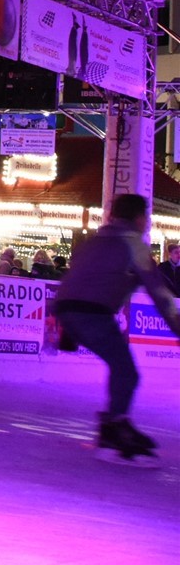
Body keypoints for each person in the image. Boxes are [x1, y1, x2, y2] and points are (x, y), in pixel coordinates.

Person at [53, 193, 180, 466]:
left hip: (67, 310)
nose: (146, 222)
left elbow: (76, 281)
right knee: (126, 371)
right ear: (139, 218)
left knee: (120, 365)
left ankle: (114, 424)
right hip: (92, 313)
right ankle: (114, 432)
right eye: (146, 217)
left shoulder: (93, 241)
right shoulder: (133, 244)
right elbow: (159, 293)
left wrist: (66, 328)